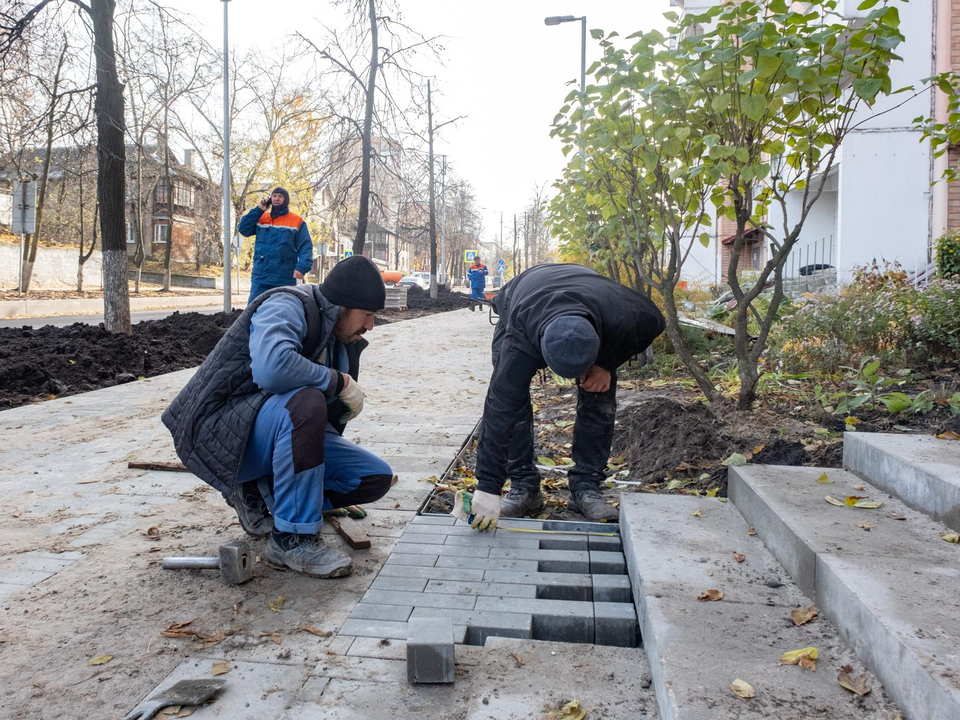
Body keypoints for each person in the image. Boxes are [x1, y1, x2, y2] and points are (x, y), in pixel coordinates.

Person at [162, 256, 395, 578]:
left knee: (372, 478)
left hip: (266, 426)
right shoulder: (287, 304)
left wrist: (343, 404)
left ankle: (259, 490)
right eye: (367, 315)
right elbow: (272, 369)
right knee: (307, 402)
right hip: (219, 427)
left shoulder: (338, 336)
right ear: (343, 306)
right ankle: (292, 540)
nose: (370, 325)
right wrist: (338, 382)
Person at [467, 263, 665, 529]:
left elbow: (657, 321)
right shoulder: (520, 341)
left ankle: (586, 486)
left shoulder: (622, 315)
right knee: (511, 400)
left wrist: (606, 363)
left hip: (593, 300)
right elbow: (499, 408)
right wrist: (488, 486)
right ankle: (524, 485)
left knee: (599, 391)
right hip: (520, 300)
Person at [239, 186, 314, 303]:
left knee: (284, 310)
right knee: (254, 309)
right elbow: (243, 229)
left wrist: (302, 267)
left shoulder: (296, 221)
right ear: (270, 199)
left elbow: (305, 246)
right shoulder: (261, 218)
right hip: (261, 276)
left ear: (286, 200)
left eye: (280, 196)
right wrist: (259, 209)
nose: (276, 198)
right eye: (274, 196)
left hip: (284, 276)